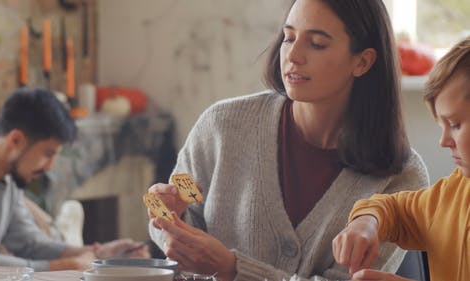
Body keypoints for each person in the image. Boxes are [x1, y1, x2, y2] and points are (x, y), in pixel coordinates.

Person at [147, 1, 429, 280]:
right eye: (289, 37)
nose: (293, 55)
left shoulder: (403, 178)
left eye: (317, 43)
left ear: (363, 61)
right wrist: (167, 218)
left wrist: (233, 269)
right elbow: (176, 228)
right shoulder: (221, 124)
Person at [332, 37, 470, 281]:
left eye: (455, 124)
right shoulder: (454, 193)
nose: (444, 141)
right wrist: (367, 221)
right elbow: (396, 209)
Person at [0, 87, 148, 271]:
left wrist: (99, 253)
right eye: (48, 154)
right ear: (15, 140)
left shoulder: (8, 176)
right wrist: (68, 265)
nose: (49, 167)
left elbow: (28, 243)